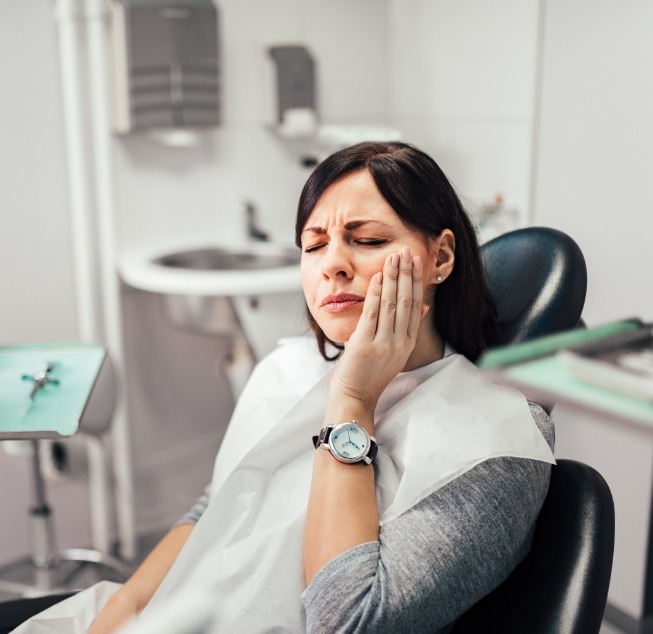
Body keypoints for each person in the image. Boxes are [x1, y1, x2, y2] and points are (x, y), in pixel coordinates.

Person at [12, 142, 554, 633]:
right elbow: (214, 508)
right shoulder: (289, 369)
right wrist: (117, 616)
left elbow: (348, 621)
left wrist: (353, 401)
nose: (333, 265)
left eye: (367, 240)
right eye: (313, 246)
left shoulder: (497, 441)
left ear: (439, 257)